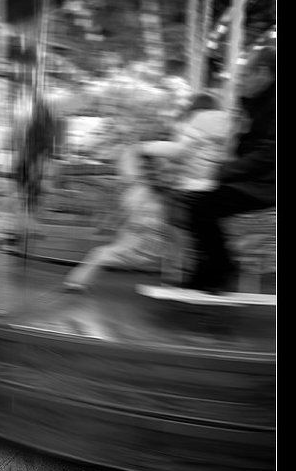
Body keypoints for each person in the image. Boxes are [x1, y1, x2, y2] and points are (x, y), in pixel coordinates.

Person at [180, 46, 276, 292]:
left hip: (265, 184)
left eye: (245, 75)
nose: (240, 81)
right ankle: (209, 268)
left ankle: (220, 268)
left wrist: (223, 171)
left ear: (263, 73)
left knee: (201, 204)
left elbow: (268, 154)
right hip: (251, 179)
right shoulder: (254, 104)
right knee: (193, 200)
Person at [63, 144, 164, 291]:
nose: (120, 171)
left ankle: (75, 283)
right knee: (99, 255)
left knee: (100, 255)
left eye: (123, 166)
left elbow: (146, 220)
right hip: (136, 242)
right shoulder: (138, 191)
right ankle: (75, 283)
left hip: (141, 245)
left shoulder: (140, 192)